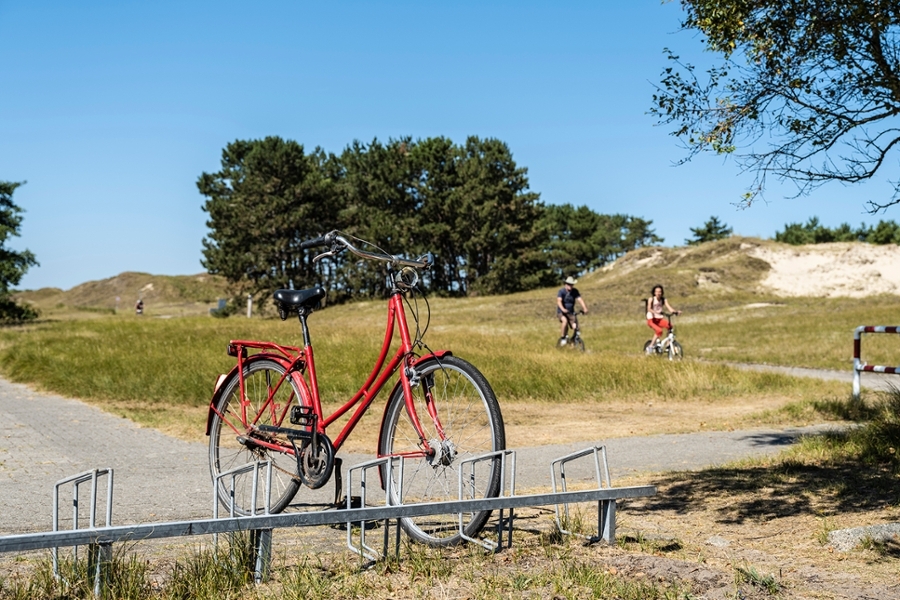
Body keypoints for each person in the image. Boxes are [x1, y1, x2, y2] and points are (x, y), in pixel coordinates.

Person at [645, 284, 679, 352]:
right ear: (654, 293)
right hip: (651, 319)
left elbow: (669, 307)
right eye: (657, 292)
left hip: (659, 319)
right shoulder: (651, 299)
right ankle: (651, 346)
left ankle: (668, 344)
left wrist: (675, 312)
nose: (658, 293)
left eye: (660, 292)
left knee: (670, 327)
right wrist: (655, 312)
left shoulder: (663, 299)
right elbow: (649, 308)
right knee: (659, 331)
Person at [556, 276, 588, 345]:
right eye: (569, 284)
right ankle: (563, 338)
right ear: (566, 284)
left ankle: (574, 340)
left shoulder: (575, 291)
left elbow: (580, 299)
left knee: (576, 327)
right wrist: (563, 309)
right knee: (565, 321)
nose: (570, 286)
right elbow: (559, 301)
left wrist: (584, 308)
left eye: (572, 284)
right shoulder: (561, 291)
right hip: (561, 312)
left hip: (570, 312)